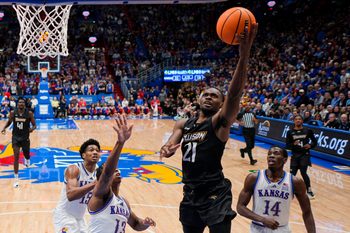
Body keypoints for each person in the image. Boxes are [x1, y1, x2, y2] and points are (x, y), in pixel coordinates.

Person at [159, 23, 258, 233]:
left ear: (221, 104)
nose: (209, 97)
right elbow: (169, 146)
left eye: (215, 96)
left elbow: (234, 95)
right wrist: (166, 150)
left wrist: (243, 57)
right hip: (190, 192)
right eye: (206, 94)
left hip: (215, 193)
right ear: (199, 98)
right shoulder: (183, 123)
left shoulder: (219, 122)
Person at [88, 114, 156, 232]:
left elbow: (135, 224)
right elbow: (107, 173)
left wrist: (145, 223)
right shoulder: (100, 194)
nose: (116, 171)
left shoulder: (123, 202)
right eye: (113, 170)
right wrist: (120, 143)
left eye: (117, 169)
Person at [236, 146, 316, 233]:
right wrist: (262, 219)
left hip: (282, 229)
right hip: (258, 229)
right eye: (269, 154)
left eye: (276, 153)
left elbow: (307, 212)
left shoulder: (295, 182)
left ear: (284, 160)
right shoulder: (253, 178)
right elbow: (240, 207)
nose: (271, 155)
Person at [53, 138, 101, 233]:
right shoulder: (74, 169)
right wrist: (94, 183)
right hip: (64, 215)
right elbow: (70, 195)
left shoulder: (98, 171)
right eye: (91, 150)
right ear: (83, 155)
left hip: (80, 217)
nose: (95, 152)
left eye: (97, 151)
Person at [1, 97, 36, 188]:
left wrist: (31, 129)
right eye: (19, 102)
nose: (21, 103)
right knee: (16, 156)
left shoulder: (29, 113)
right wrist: (4, 128)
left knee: (26, 153)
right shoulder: (13, 113)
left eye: (22, 102)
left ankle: (27, 159)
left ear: (24, 104)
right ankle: (16, 179)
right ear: (17, 104)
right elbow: (9, 121)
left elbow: (35, 125)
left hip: (25, 138)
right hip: (15, 138)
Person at [286, 115, 317, 199]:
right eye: (296, 119)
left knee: (303, 173)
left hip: (304, 155)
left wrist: (310, 145)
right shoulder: (290, 132)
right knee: (292, 174)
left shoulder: (308, 131)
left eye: (299, 119)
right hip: (295, 155)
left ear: (302, 121)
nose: (298, 120)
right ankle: (289, 191)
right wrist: (293, 144)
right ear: (294, 121)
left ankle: (309, 191)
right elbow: (287, 145)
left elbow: (315, 142)